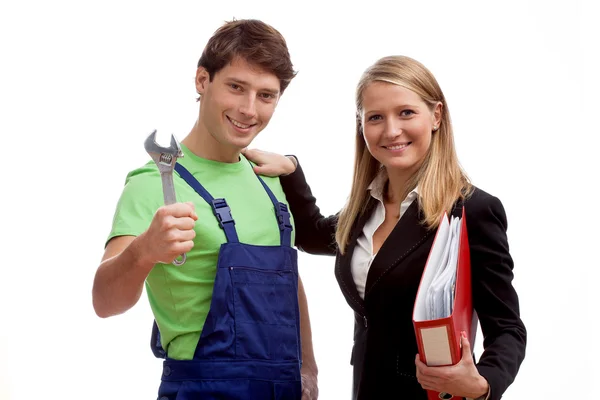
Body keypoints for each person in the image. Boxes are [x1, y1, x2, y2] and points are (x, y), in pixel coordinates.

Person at [244, 55, 526, 400]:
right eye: (375, 117)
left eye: (406, 112)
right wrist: (291, 170)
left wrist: (483, 383)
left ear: (436, 116)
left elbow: (508, 328)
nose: (391, 130)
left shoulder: (473, 211)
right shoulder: (367, 207)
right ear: (361, 125)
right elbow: (314, 235)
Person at [92, 19, 319, 400]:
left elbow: (288, 280)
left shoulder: (269, 178)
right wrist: (145, 250)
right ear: (202, 81)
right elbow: (103, 302)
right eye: (236, 87)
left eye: (266, 95)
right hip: (203, 388)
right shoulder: (153, 183)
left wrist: (308, 368)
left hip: (283, 388)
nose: (249, 110)